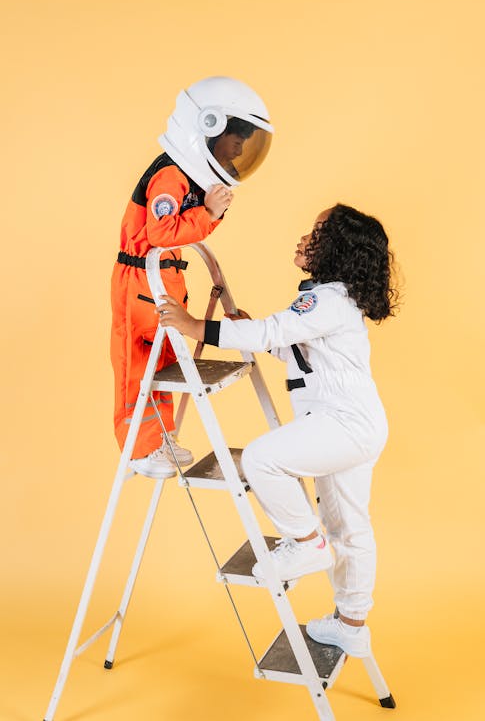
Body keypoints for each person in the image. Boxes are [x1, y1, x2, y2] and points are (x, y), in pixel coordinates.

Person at [156, 203, 399, 658]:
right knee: (349, 526)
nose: (305, 238)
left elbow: (274, 332)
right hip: (357, 423)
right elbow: (300, 356)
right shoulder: (335, 298)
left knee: (262, 459)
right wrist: (256, 333)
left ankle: (306, 544)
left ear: (338, 250)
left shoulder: (324, 298)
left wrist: (195, 327)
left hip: (343, 424)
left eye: (317, 232)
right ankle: (352, 624)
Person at [111, 77, 273, 479]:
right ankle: (139, 449)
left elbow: (183, 231)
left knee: (162, 363)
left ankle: (158, 439)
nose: (238, 150)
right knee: (137, 365)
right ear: (209, 128)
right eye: (236, 140)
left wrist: (208, 214)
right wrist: (209, 214)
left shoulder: (186, 177)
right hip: (139, 282)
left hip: (162, 279)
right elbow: (160, 233)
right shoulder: (169, 176)